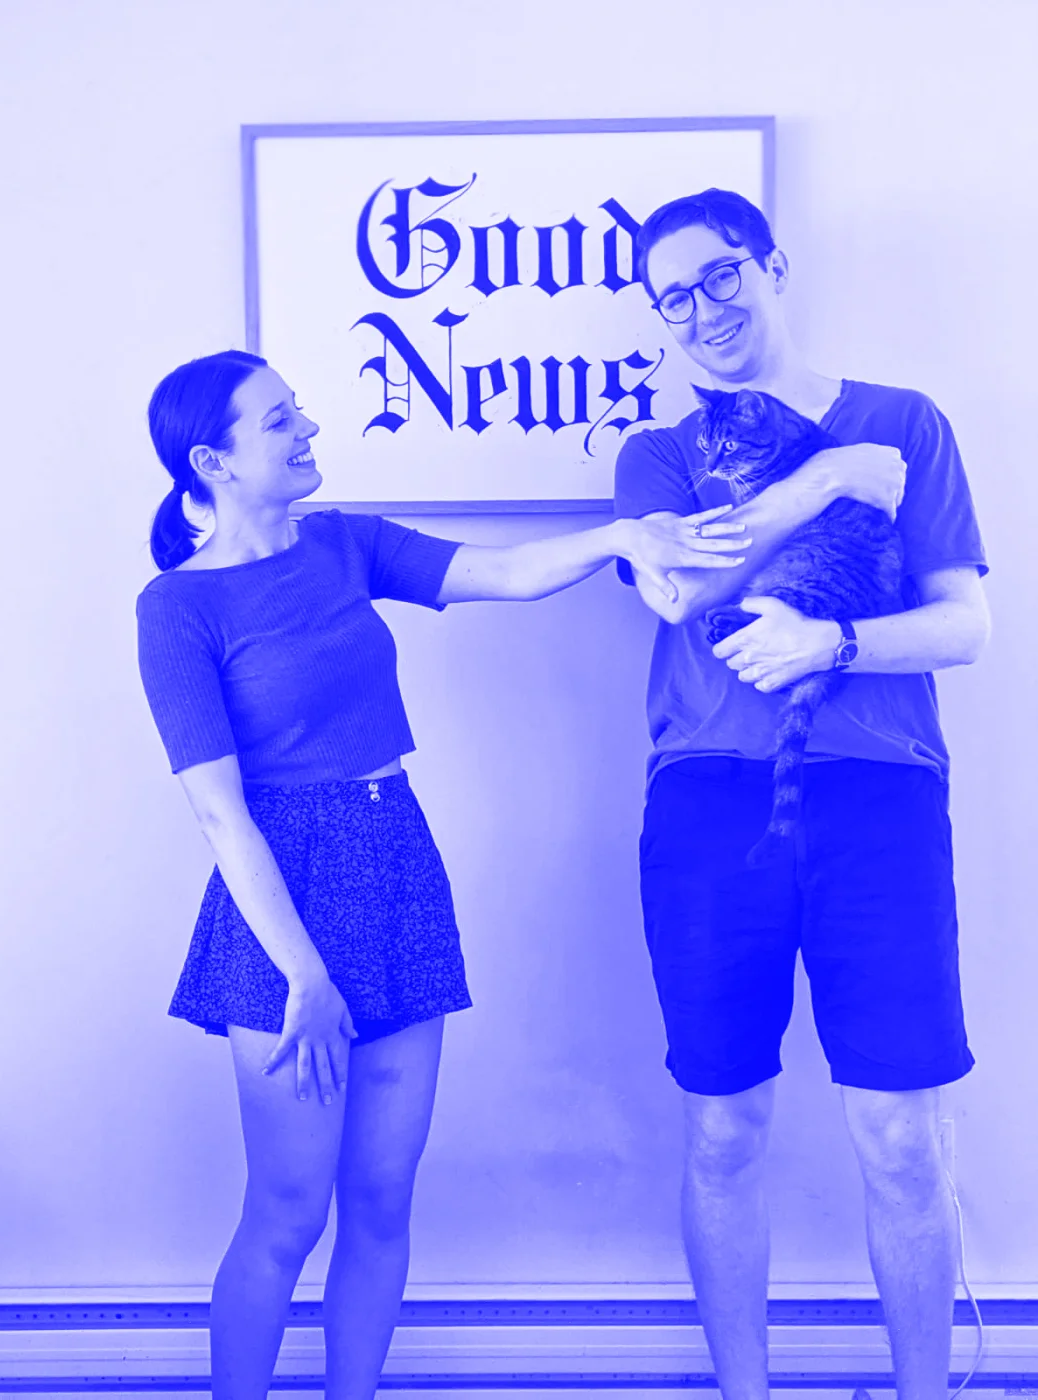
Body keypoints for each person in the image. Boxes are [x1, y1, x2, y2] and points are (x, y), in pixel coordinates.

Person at [135, 348, 759, 1400]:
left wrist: (621, 535)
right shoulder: (176, 609)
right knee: (288, 1210)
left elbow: (505, 574)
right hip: (281, 904)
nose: (308, 428)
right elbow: (218, 809)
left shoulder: (345, 543)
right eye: (280, 420)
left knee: (383, 1198)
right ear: (215, 461)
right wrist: (303, 973)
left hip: (395, 864)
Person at [613, 188, 990, 1400]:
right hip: (709, 800)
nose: (702, 310)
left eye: (720, 275)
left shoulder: (906, 423)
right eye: (674, 297)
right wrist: (827, 477)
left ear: (772, 266)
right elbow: (677, 588)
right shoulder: (659, 455)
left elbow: (966, 624)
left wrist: (836, 645)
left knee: (901, 1135)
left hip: (882, 794)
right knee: (724, 1126)